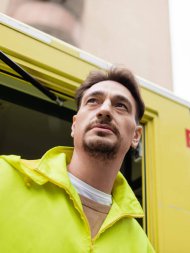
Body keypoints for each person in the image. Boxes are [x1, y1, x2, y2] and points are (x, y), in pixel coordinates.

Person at [0, 67, 155, 252]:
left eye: (120, 105)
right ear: (74, 124)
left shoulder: (141, 246)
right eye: (93, 101)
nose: (105, 110)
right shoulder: (5, 175)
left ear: (136, 136)